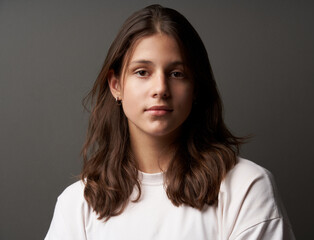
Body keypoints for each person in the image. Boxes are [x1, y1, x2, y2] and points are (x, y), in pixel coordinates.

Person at [45, 4, 295, 240]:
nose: (160, 88)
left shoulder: (245, 187)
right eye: (142, 72)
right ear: (116, 85)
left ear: (195, 87)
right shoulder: (77, 203)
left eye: (177, 73)